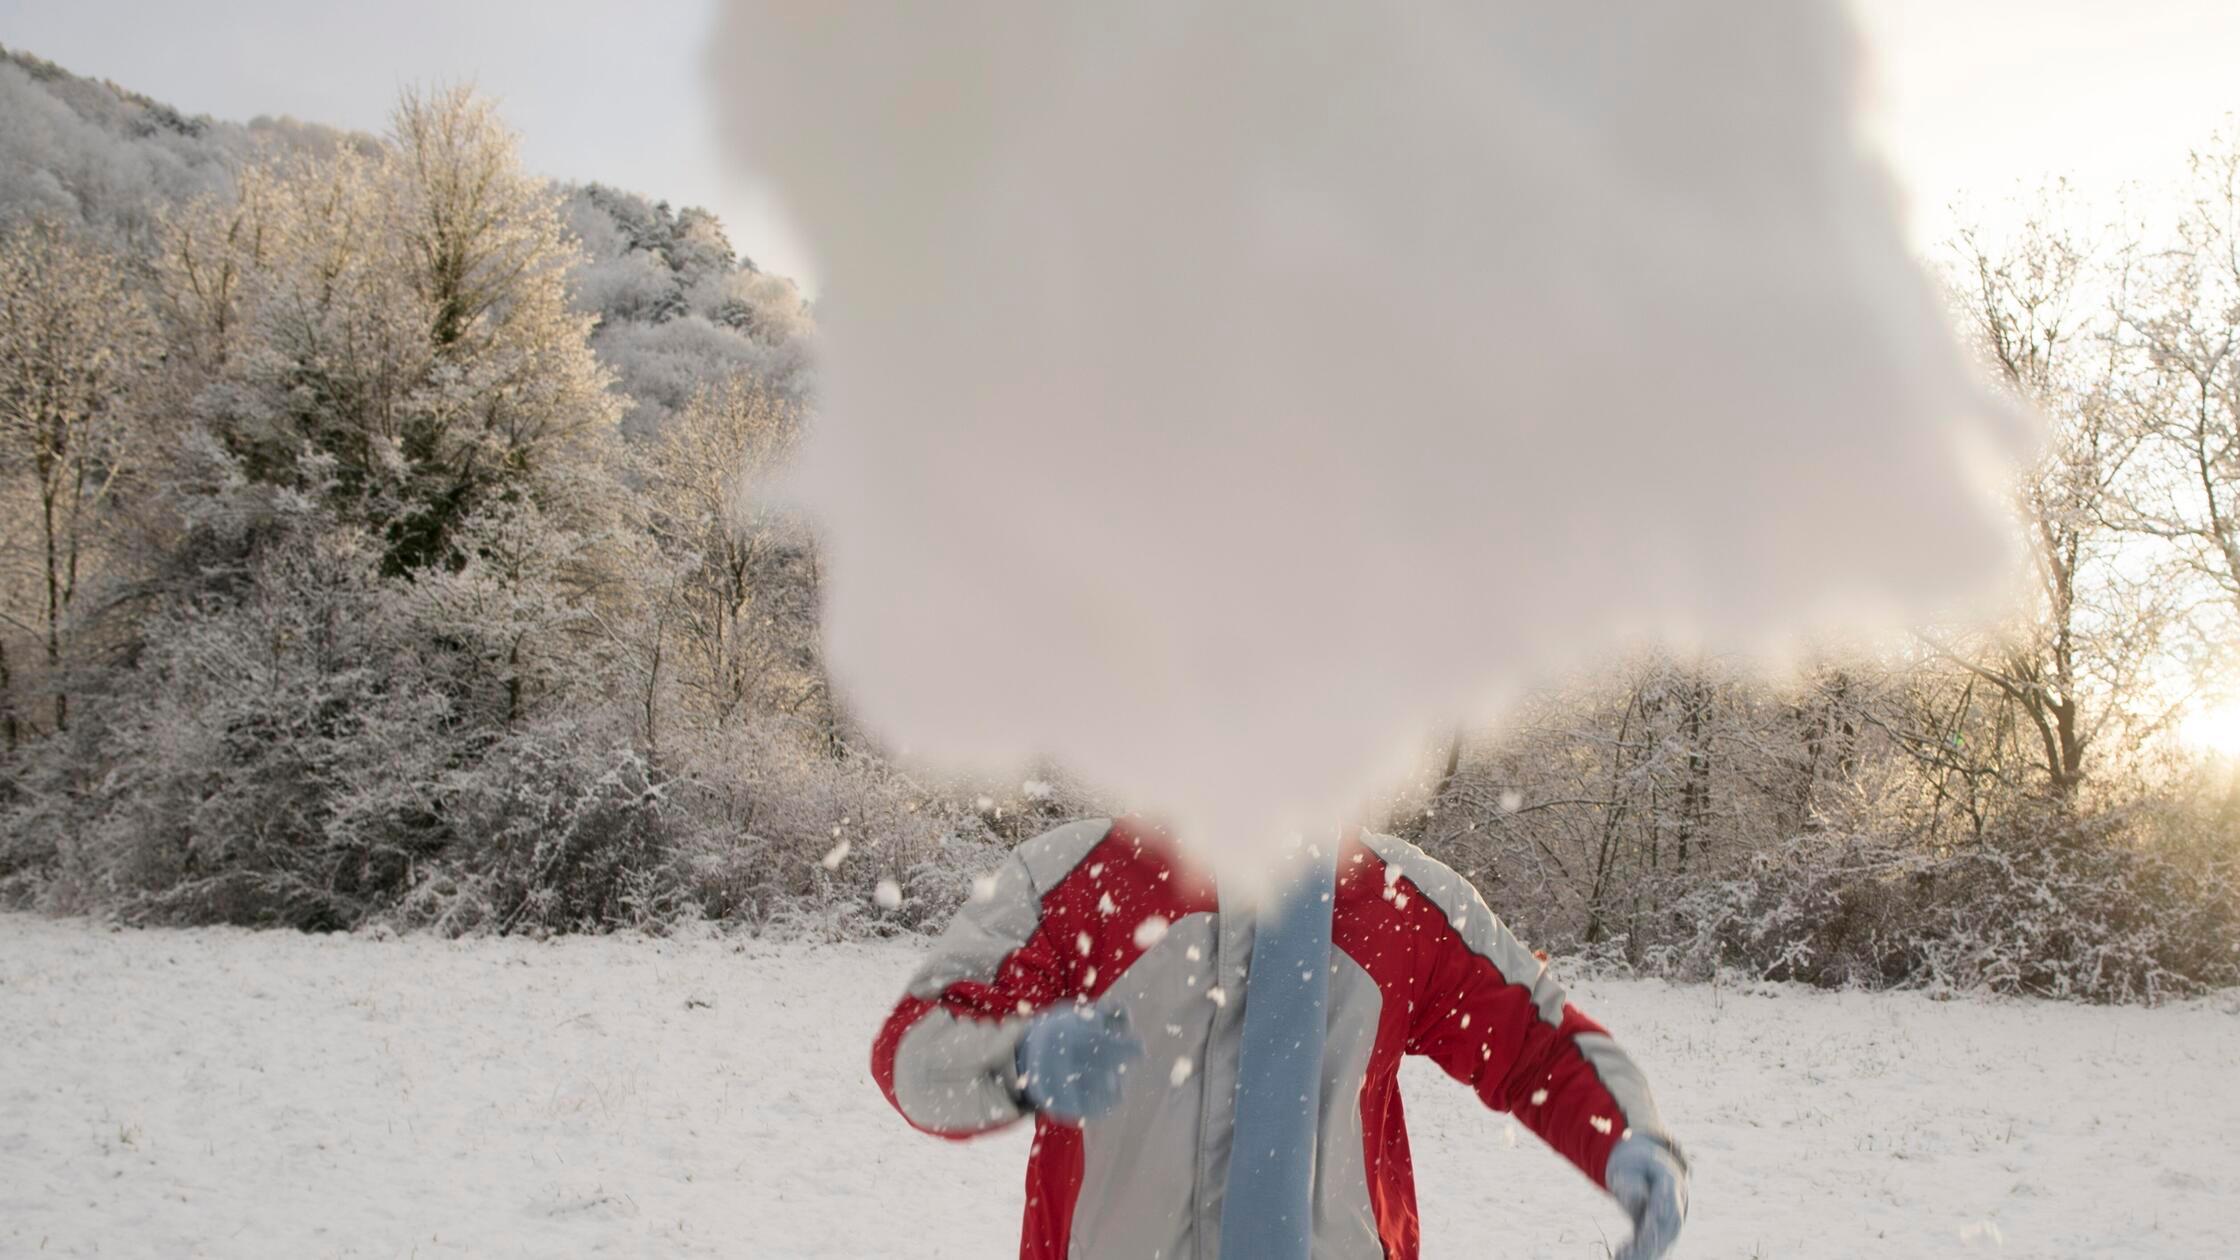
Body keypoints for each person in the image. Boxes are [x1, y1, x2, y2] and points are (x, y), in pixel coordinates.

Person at [871, 816, 1688, 1259]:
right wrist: (1015, 1061)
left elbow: (1536, 1044)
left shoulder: (1403, 903)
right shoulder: (1076, 879)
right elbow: (914, 1050)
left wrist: (1626, 1138)